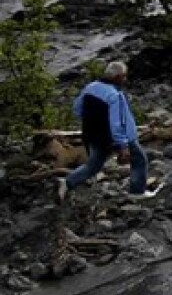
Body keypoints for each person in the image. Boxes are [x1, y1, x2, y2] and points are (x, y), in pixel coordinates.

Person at [58, 62, 154, 202]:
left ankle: (67, 182)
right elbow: (117, 122)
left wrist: (92, 120)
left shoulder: (90, 87)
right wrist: (122, 145)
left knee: (93, 165)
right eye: (124, 77)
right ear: (118, 77)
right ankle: (137, 192)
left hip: (92, 134)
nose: (125, 80)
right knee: (139, 160)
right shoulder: (115, 95)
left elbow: (77, 108)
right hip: (113, 137)